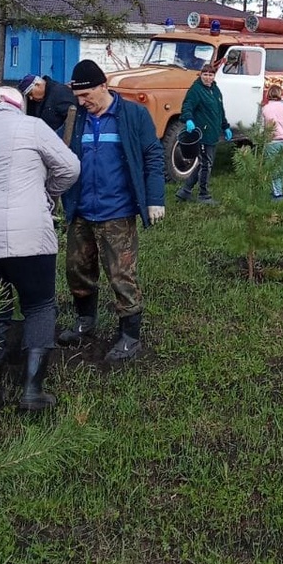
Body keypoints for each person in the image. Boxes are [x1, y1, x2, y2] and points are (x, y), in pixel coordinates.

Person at [0, 85, 81, 413]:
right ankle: (32, 392)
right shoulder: (33, 126)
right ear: (18, 106)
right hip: (28, 235)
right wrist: (47, 194)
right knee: (39, 305)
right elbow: (70, 168)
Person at [59, 59, 165, 361]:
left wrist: (155, 198)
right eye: (78, 97)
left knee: (121, 275)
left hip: (117, 213)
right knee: (77, 270)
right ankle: (85, 323)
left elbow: (153, 156)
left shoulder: (133, 115)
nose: (82, 102)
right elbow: (51, 147)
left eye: (87, 95)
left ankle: (130, 337)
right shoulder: (74, 118)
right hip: (81, 211)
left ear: (104, 85)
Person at [176, 63, 233, 205]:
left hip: (213, 133)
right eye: (205, 74)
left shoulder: (215, 90)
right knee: (206, 164)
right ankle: (204, 195)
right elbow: (187, 106)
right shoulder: (196, 90)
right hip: (203, 132)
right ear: (200, 75)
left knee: (204, 162)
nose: (208, 78)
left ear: (214, 76)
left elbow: (220, 111)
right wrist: (188, 119)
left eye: (210, 75)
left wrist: (225, 126)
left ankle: (185, 191)